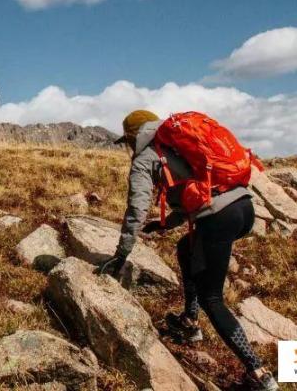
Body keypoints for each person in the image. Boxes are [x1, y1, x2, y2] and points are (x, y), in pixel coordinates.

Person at [104, 110, 278, 391]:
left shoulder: (145, 159)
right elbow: (196, 192)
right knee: (186, 247)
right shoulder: (176, 143)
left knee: (213, 298)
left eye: (127, 140)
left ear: (134, 136)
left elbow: (136, 208)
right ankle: (189, 321)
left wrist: (121, 254)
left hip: (219, 218)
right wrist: (164, 224)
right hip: (244, 208)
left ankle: (258, 373)